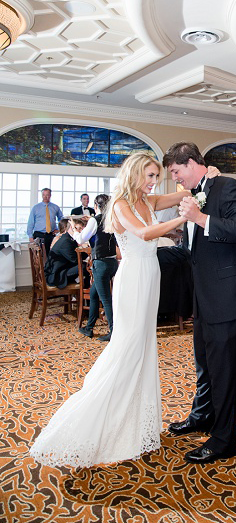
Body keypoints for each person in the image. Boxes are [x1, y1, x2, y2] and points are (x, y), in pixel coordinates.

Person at [30, 152, 193, 468]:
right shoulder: (121, 204)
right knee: (128, 347)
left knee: (144, 348)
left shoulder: (149, 200)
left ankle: (136, 424)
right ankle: (100, 414)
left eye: (156, 177)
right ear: (134, 174)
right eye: (149, 176)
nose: (153, 182)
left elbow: (182, 192)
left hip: (150, 276)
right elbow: (145, 234)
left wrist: (202, 179)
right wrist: (185, 218)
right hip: (133, 279)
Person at [164, 141, 236, 464]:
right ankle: (202, 416)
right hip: (204, 298)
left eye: (177, 172)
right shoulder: (195, 193)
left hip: (228, 297)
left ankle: (222, 441)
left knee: (225, 371)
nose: (177, 180)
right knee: (205, 365)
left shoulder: (227, 186)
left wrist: (200, 218)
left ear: (192, 163)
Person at [74, 194, 118, 341]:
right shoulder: (112, 218)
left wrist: (74, 230)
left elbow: (81, 239)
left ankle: (114, 331)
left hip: (101, 264)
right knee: (94, 294)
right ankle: (89, 327)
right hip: (112, 262)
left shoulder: (95, 219)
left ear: (96, 205)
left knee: (106, 300)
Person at [44, 217, 87, 288]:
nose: (80, 231)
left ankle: (84, 291)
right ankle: (85, 292)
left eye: (82, 229)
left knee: (87, 266)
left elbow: (77, 255)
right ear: (71, 228)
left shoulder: (68, 238)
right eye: (78, 228)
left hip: (63, 269)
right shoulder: (66, 241)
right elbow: (75, 260)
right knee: (85, 267)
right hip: (56, 275)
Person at [27, 188, 63, 254]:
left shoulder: (55, 207)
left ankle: (50, 265)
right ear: (42, 195)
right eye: (44, 195)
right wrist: (30, 236)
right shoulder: (36, 208)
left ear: (50, 195)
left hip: (51, 235)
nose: (45, 197)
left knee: (52, 254)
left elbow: (61, 219)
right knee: (39, 256)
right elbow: (30, 222)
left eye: (47, 195)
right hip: (39, 235)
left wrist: (59, 229)